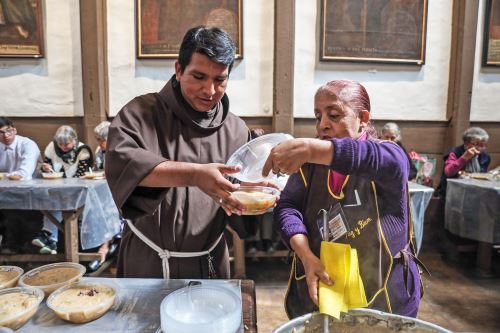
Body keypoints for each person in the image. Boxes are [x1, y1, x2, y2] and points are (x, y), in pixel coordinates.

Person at [263, 80, 424, 318]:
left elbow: (384, 159)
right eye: (318, 117)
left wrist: (310, 148)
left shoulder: (386, 156)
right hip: (324, 288)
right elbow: (288, 207)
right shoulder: (311, 165)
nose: (323, 125)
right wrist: (306, 255)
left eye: (334, 115)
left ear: (363, 118)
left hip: (386, 296)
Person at [106, 26, 253, 279]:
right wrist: (195, 175)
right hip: (149, 261)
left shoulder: (236, 130)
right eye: (198, 76)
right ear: (178, 69)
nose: (209, 91)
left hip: (208, 262)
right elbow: (125, 163)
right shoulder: (140, 113)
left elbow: (245, 190)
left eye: (220, 80)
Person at [32, 125, 93, 254]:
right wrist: (45, 168)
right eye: (60, 144)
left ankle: (48, 236)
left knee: (59, 203)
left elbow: (80, 176)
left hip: (77, 191)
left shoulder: (83, 151)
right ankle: (51, 240)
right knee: (51, 203)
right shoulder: (51, 147)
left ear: (74, 140)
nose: (63, 147)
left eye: (67, 144)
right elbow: (46, 169)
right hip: (57, 189)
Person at [0, 117, 40, 252]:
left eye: (8, 131)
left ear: (15, 130)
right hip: (4, 193)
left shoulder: (27, 144)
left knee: (14, 213)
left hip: (29, 193)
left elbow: (24, 174)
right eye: (1, 133)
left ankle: (16, 246)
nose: (5, 136)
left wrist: (4, 175)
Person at [437, 127, 490, 202]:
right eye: (477, 144)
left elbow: (484, 175)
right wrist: (464, 158)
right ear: (467, 143)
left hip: (475, 194)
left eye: (484, 145)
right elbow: (448, 172)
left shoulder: (485, 157)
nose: (481, 148)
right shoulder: (455, 152)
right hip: (452, 194)